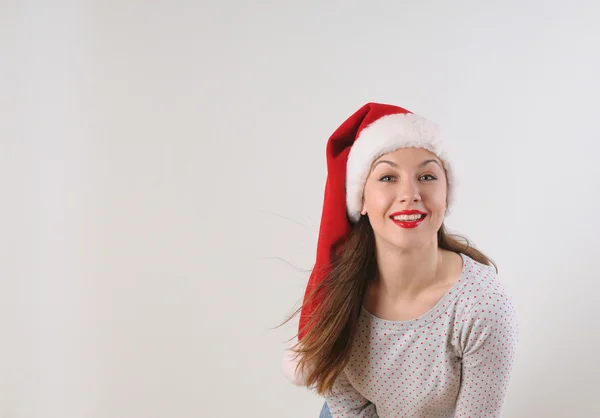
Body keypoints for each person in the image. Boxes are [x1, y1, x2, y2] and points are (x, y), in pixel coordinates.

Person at [281, 102, 520, 417]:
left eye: (426, 176)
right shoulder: (337, 294)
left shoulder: (483, 304)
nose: (410, 193)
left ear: (447, 194)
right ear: (361, 199)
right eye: (387, 178)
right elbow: (350, 408)